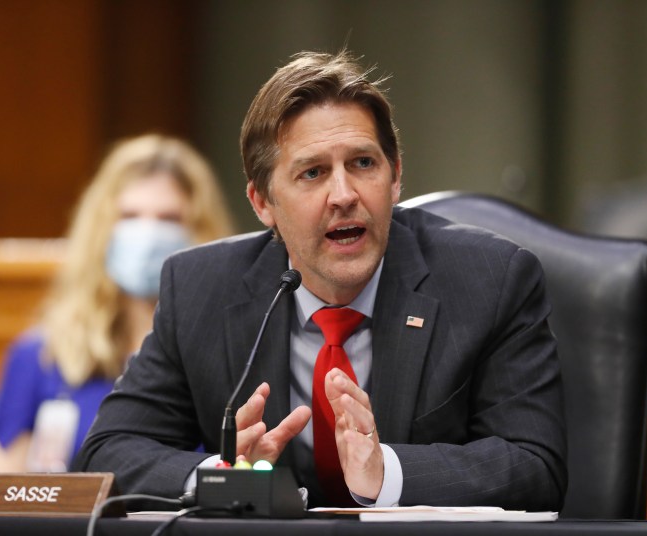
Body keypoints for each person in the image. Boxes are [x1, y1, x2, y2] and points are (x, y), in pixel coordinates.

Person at [74, 51, 567, 510]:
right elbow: (108, 452)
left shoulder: (491, 281)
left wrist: (387, 472)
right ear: (262, 203)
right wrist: (220, 475)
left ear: (395, 176)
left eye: (363, 163)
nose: (344, 194)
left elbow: (536, 466)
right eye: (312, 173)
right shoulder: (201, 288)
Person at [0, 134, 234, 472]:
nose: (147, 233)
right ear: (101, 229)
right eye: (129, 215)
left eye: (169, 218)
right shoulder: (41, 355)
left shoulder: (231, 353)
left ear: (201, 232)